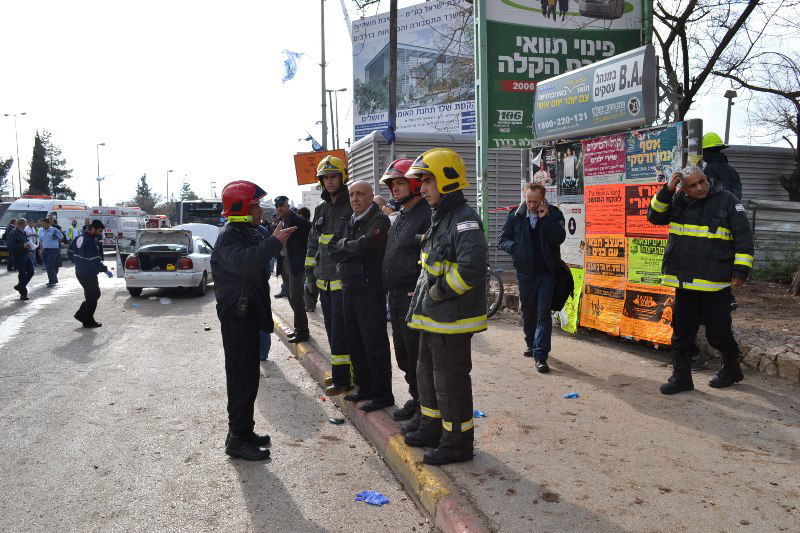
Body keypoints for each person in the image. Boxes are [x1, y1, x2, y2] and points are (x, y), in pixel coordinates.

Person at [403, 148, 488, 466]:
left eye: (427, 181)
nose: (422, 188)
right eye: (422, 181)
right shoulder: (441, 217)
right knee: (427, 376)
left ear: (447, 181)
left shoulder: (465, 220)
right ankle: (431, 429)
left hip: (451, 320)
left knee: (450, 384)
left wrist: (437, 293)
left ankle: (457, 444)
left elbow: (471, 270)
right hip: (433, 318)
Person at [647, 166, 754, 395]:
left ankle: (732, 367)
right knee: (682, 333)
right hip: (685, 280)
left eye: (702, 182)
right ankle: (681, 377)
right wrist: (667, 190)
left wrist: (741, 271)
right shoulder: (677, 200)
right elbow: (654, 216)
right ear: (684, 188)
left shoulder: (727, 200)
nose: (700, 188)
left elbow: (744, 237)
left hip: (715, 282)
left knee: (718, 332)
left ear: (706, 179)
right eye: (693, 185)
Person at [211, 180, 296, 461]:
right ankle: (237, 439)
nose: (260, 209)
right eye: (255, 205)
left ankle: (244, 431)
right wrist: (274, 241)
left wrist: (273, 240)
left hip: (247, 314)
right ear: (241, 209)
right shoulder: (229, 236)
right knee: (241, 377)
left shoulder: (246, 232)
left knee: (248, 377)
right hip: (237, 316)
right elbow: (245, 262)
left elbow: (257, 256)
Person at [329, 181, 394, 412]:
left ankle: (382, 394)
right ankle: (364, 387)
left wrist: (345, 246)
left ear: (370, 196)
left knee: (374, 343)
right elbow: (332, 248)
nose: (354, 199)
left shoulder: (380, 220)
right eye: (351, 195)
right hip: (349, 287)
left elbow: (365, 247)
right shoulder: (349, 219)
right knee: (355, 341)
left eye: (360, 194)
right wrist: (349, 247)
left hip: (369, 290)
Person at [379, 158, 432, 427]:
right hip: (396, 297)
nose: (394, 189)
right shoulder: (402, 216)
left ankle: (426, 407)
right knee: (403, 354)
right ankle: (416, 397)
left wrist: (420, 290)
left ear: (413, 183)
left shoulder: (426, 216)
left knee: (417, 355)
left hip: (413, 297)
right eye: (392, 185)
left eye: (399, 183)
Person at [499, 183, 566, 371]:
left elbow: (559, 238)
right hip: (525, 273)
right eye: (529, 201)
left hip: (547, 272)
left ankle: (541, 355)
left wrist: (546, 219)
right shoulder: (516, 215)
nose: (532, 205)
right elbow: (503, 240)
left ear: (543, 200)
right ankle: (530, 342)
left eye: (536, 202)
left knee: (543, 313)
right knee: (529, 313)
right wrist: (516, 249)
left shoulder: (554, 214)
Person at [305, 155, 355, 396]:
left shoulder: (351, 206)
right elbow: (312, 243)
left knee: (341, 332)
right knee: (331, 330)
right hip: (323, 282)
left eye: (333, 176)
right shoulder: (321, 210)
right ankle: (340, 375)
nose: (329, 181)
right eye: (325, 178)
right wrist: (309, 275)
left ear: (342, 177)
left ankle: (345, 379)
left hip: (343, 283)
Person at [274, 195, 312, 343]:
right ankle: (300, 328)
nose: (279, 208)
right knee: (290, 297)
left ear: (288, 206)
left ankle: (302, 331)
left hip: (296, 264)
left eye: (282, 205)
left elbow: (310, 236)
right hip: (284, 263)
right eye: (277, 206)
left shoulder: (299, 221)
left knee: (296, 297)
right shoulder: (279, 222)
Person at [73, 220, 113, 327]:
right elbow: (95, 261)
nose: (100, 234)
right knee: (92, 296)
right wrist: (105, 270)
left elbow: (70, 251)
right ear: (93, 229)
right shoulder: (90, 242)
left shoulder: (79, 237)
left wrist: (78, 261)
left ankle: (81, 314)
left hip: (80, 271)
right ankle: (88, 321)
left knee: (94, 294)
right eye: (99, 231)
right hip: (88, 273)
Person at [702, 132, 742, 200]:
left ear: (706, 151)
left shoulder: (710, 169)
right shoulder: (731, 170)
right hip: (733, 205)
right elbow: (738, 194)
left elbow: (709, 194)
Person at [7, 219, 35, 300]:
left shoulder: (23, 232)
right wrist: (22, 246)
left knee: (31, 272)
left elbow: (26, 242)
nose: (26, 225)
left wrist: (29, 251)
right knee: (22, 274)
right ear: (22, 224)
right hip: (18, 256)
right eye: (25, 224)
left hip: (26, 255)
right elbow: (10, 246)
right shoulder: (13, 233)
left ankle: (20, 286)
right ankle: (23, 294)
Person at [297, 207, 318, 312]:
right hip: (315, 258)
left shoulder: (303, 227)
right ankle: (312, 303)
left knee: (308, 282)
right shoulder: (312, 226)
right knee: (313, 283)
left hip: (308, 257)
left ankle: (309, 306)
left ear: (301, 215)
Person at [38, 218, 64, 287]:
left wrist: (56, 243)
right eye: (42, 224)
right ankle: (54, 279)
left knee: (50, 266)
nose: (43, 225)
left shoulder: (55, 230)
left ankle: (51, 281)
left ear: (48, 224)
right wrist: (41, 249)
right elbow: (40, 240)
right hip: (45, 250)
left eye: (44, 224)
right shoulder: (40, 230)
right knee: (48, 266)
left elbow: (61, 237)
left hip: (53, 250)